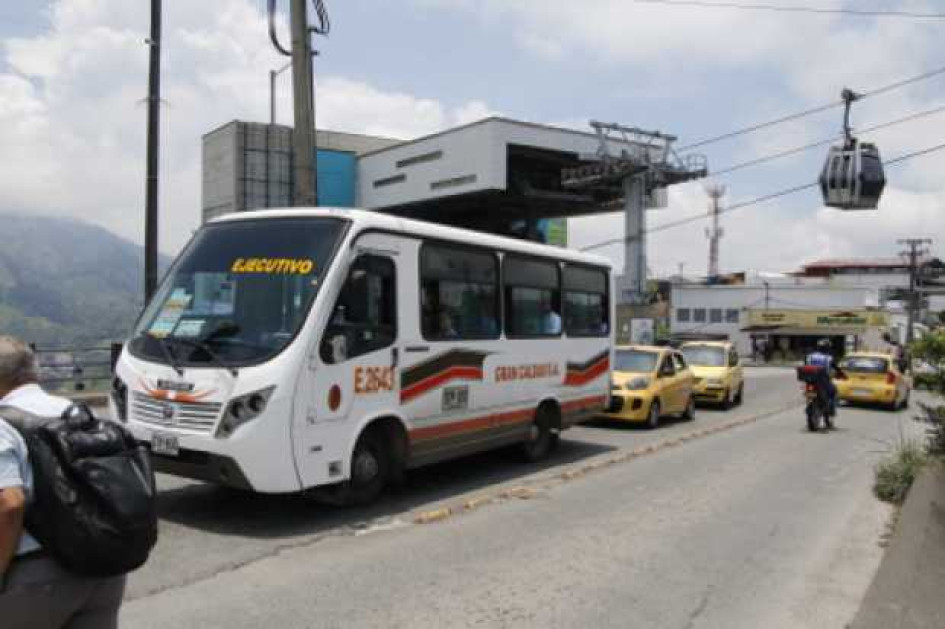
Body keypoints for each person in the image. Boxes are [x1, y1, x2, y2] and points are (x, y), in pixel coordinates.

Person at [0, 336, 126, 628]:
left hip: (36, 576)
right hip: (103, 567)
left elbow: (9, 503)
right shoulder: (75, 411)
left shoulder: (3, 424)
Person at [804, 338, 838, 417]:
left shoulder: (810, 356)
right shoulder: (829, 358)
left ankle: (810, 404)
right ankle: (831, 411)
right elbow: (835, 368)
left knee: (809, 392)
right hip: (823, 381)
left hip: (810, 380)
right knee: (834, 391)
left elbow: (805, 365)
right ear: (827, 348)